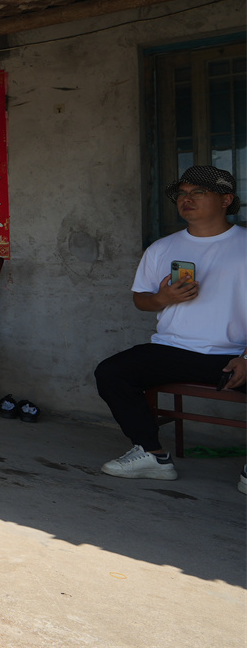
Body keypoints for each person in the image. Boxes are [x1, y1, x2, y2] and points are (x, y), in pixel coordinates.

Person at [93, 165, 245, 491]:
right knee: (112, 372)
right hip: (173, 348)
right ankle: (152, 454)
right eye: (182, 194)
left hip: (235, 353)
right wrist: (162, 297)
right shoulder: (162, 248)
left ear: (226, 199)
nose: (186, 200)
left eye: (198, 193)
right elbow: (141, 300)